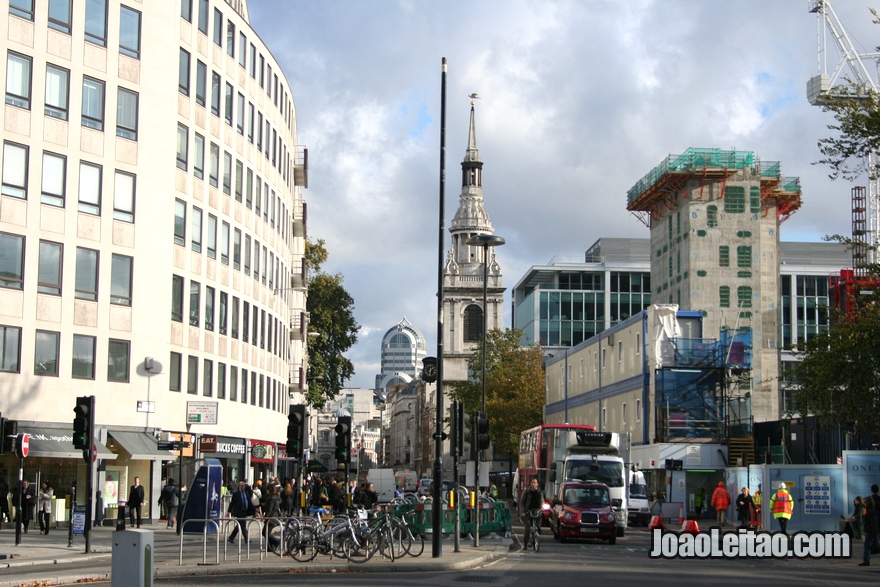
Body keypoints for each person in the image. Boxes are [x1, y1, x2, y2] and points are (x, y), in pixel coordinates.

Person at [520, 478, 544, 545]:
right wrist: (523, 511)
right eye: (532, 482)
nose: (533, 484)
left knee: (539, 518)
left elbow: (542, 500)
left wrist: (542, 507)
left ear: (537, 484)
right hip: (528, 510)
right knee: (527, 527)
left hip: (537, 509)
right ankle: (525, 543)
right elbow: (522, 502)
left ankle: (538, 529)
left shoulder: (539, 492)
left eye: (534, 483)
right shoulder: (527, 491)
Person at [860, 495, 879, 566]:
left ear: (868, 503)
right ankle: (866, 560)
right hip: (871, 531)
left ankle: (866, 560)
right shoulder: (870, 510)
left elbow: (873, 523)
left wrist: (874, 533)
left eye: (864, 503)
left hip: (870, 531)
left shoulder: (871, 512)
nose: (864, 504)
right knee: (872, 545)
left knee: (867, 546)